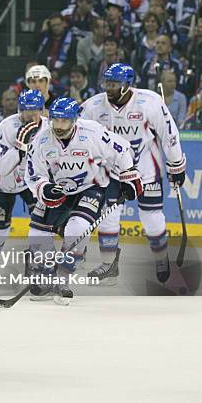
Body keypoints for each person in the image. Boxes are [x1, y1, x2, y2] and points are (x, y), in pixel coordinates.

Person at [25, 97, 142, 305]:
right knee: (36, 236)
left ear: (74, 119)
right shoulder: (41, 140)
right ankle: (46, 273)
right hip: (59, 189)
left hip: (90, 187)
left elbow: (122, 149)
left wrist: (129, 176)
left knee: (77, 229)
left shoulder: (93, 132)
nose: (59, 126)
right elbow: (33, 174)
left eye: (64, 121)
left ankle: (63, 280)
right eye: (55, 120)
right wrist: (44, 187)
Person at [80, 63, 186, 285]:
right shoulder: (93, 106)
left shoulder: (150, 102)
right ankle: (109, 264)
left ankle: (160, 257)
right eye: (107, 83)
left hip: (146, 170)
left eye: (114, 84)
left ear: (127, 85)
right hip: (112, 172)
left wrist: (176, 165)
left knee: (152, 218)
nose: (109, 88)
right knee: (108, 217)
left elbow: (169, 134)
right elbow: (79, 135)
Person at [0, 90, 45, 275]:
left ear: (42, 110)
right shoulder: (6, 127)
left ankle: (35, 260)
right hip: (2, 183)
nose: (31, 115)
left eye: (35, 111)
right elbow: (2, 168)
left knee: (42, 223)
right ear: (20, 110)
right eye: (27, 111)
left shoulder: (49, 128)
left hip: (31, 182)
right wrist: (19, 145)